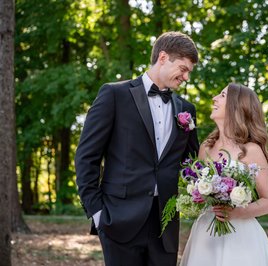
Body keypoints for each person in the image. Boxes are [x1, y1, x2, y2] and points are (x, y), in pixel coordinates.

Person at [75, 31, 199, 266]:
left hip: (165, 223)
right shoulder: (114, 94)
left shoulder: (186, 109)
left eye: (189, 72)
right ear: (163, 57)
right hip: (118, 219)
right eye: (183, 69)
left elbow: (192, 162)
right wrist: (98, 212)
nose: (186, 77)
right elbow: (86, 156)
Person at [179, 83, 268, 266]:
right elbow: (198, 195)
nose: (214, 98)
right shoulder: (205, 148)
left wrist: (238, 212)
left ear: (236, 107)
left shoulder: (251, 151)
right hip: (205, 234)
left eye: (222, 95)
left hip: (241, 238)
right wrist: (196, 196)